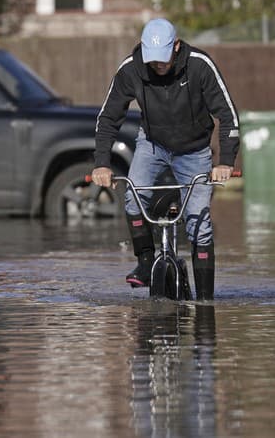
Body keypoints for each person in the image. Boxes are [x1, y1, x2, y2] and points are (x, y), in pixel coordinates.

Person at [92, 18, 240, 300]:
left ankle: (205, 301)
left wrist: (225, 162)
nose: (157, 66)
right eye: (152, 60)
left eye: (163, 60)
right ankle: (146, 262)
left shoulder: (199, 65)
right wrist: (101, 163)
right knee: (134, 198)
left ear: (176, 46)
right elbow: (108, 117)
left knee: (199, 223)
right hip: (152, 144)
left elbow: (227, 115)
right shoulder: (132, 69)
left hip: (195, 150)